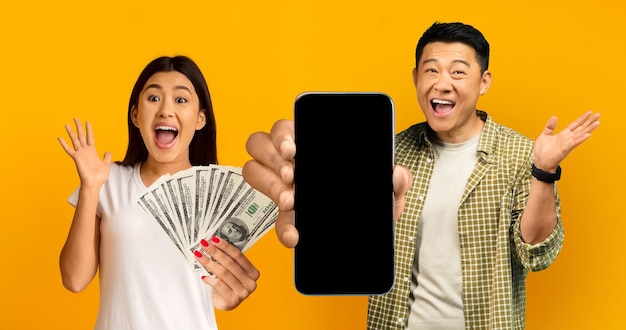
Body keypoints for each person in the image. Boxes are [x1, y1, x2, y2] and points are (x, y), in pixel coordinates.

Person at [241, 21, 601, 329]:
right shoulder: (388, 151)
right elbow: (348, 237)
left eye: (458, 71)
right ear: (415, 77)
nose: (442, 83)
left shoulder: (522, 154)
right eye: (431, 70)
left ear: (484, 81)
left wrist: (544, 170)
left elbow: (535, 254)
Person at [58, 55, 259, 329]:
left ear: (200, 118)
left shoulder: (221, 196)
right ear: (136, 115)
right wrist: (91, 188)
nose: (165, 109)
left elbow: (222, 290)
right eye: (153, 98)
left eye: (180, 99)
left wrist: (234, 290)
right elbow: (74, 279)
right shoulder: (108, 181)